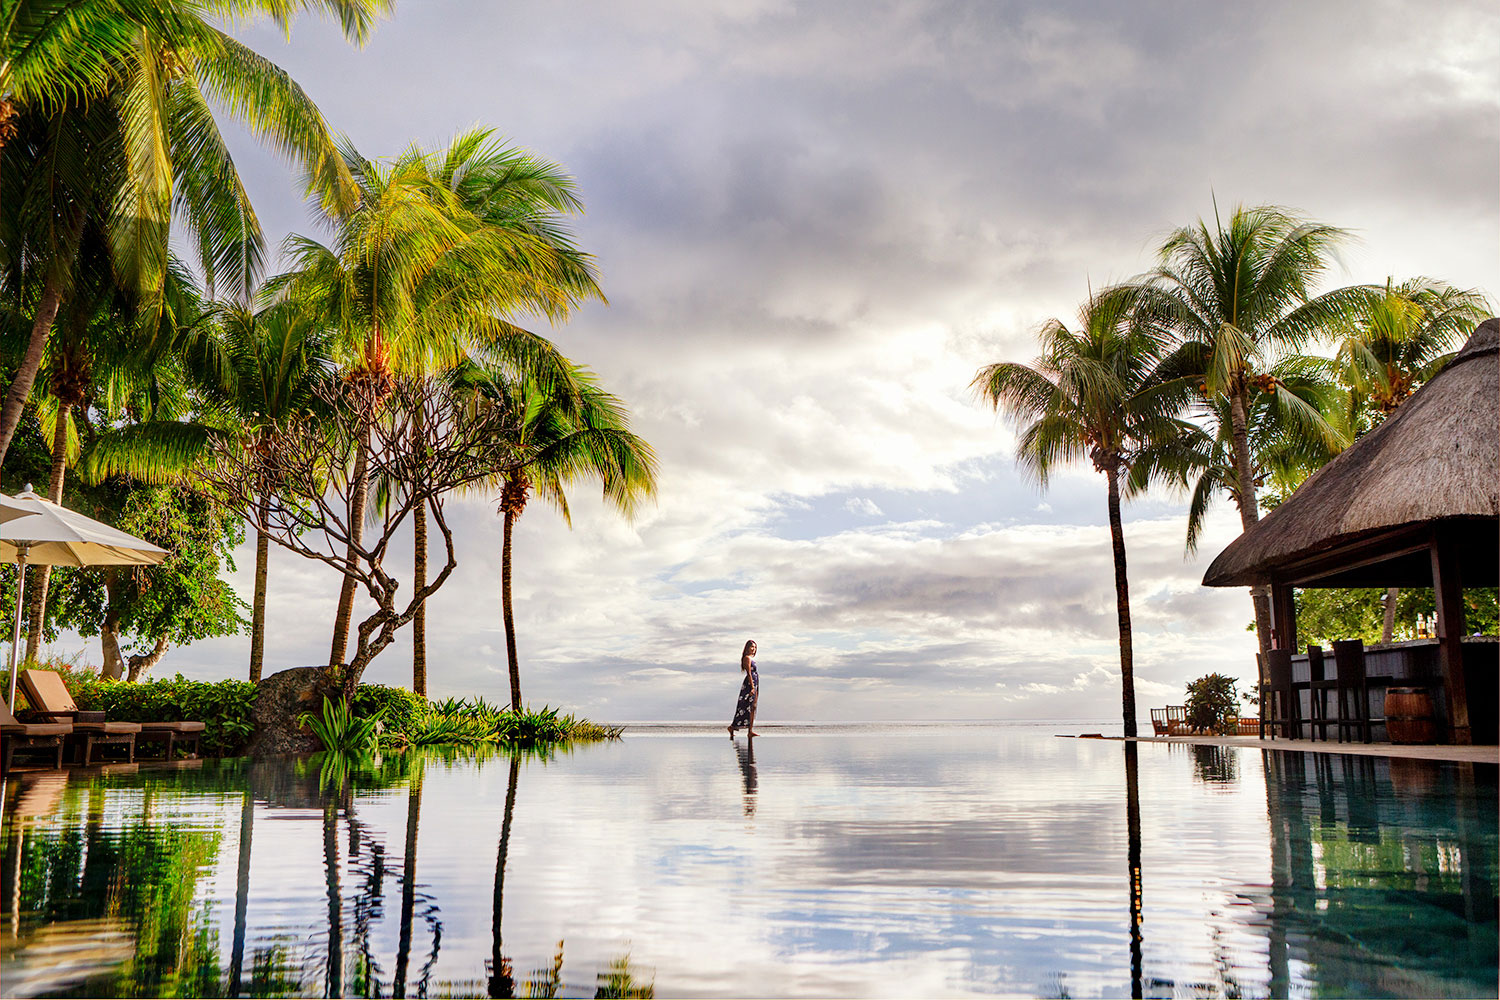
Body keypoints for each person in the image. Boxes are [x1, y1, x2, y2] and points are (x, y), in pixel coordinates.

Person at [727, 639, 759, 738]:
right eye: (752, 647)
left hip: (755, 682)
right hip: (750, 683)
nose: (753, 649)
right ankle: (733, 727)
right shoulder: (747, 658)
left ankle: (750, 731)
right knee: (745, 705)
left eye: (755, 647)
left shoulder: (750, 658)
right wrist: (752, 687)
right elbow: (749, 673)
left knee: (753, 706)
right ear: (747, 648)